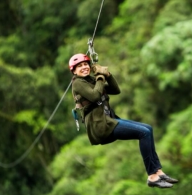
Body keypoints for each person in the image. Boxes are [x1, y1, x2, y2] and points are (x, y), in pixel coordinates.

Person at [69, 53, 178, 188]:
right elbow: (95, 96)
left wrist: (107, 75)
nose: (84, 67)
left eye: (85, 64)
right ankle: (152, 176)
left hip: (108, 120)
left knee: (148, 129)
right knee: (143, 133)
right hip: (101, 126)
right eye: (80, 66)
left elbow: (116, 90)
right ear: (74, 71)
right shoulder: (78, 83)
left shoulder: (91, 81)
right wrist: (100, 77)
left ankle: (158, 171)